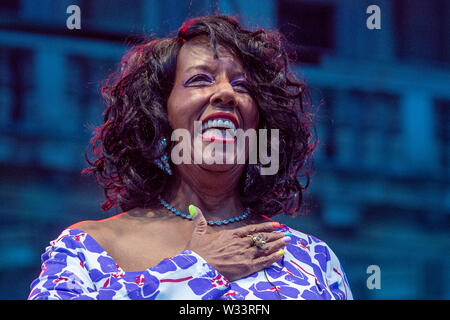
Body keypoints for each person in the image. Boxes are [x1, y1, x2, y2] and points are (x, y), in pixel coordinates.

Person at [28, 14, 352, 300]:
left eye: (242, 86)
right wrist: (193, 271)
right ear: (159, 112)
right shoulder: (87, 248)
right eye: (200, 79)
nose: (226, 93)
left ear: (261, 121)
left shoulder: (312, 260)